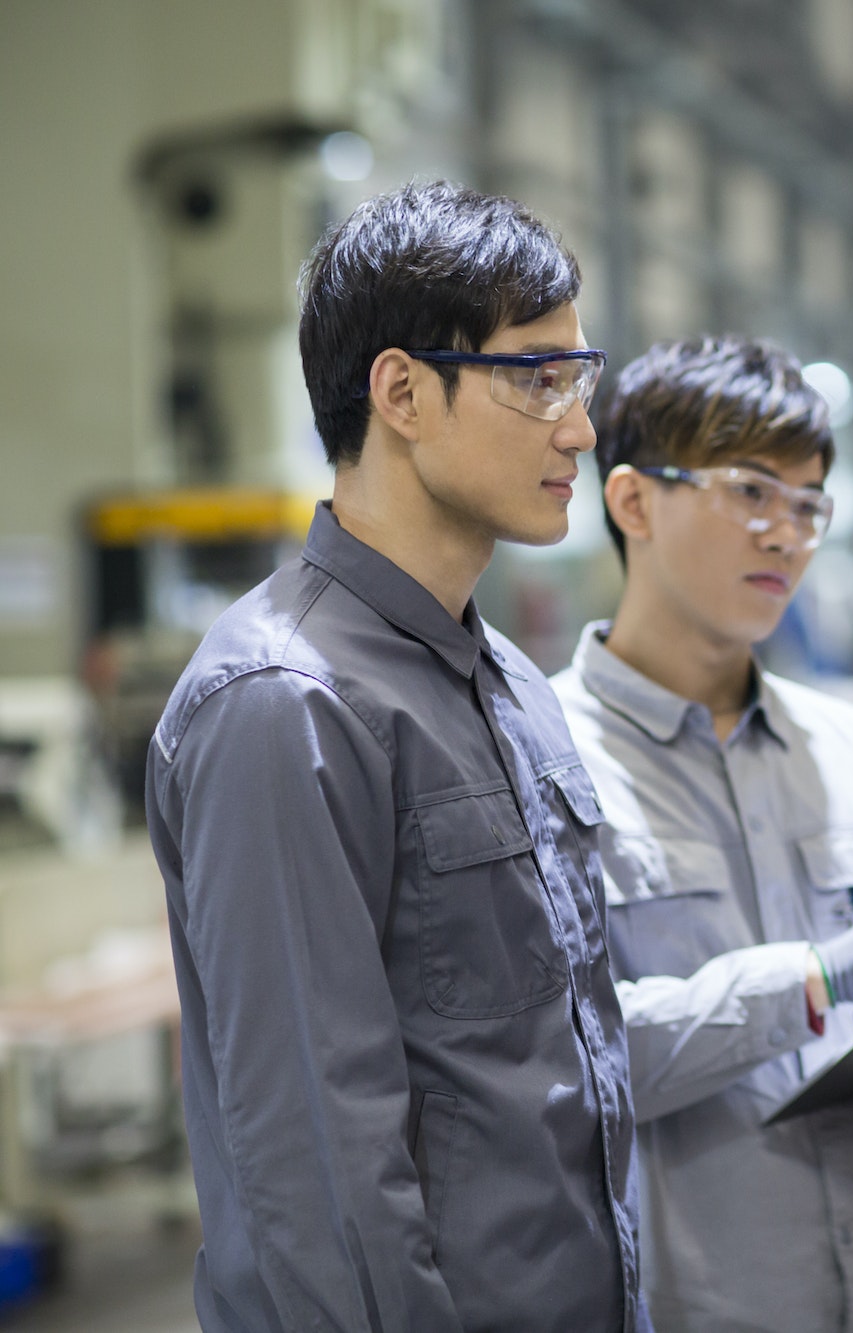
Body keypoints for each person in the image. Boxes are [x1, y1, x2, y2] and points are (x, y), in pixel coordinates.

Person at [144, 182, 647, 1331]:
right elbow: (321, 1165)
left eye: (579, 377)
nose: (577, 424)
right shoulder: (284, 706)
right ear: (404, 391)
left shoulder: (509, 685)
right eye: (536, 377)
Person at [551, 335, 853, 1332]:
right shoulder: (537, 760)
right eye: (750, 491)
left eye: (809, 502)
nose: (786, 533)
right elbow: (559, 1064)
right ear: (633, 501)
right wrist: (813, 979)